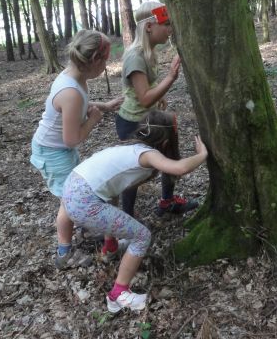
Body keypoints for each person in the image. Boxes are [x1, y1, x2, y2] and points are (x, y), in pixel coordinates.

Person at [60, 110, 208, 312]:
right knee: (142, 236)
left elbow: (111, 188)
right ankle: (118, 294)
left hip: (71, 190)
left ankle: (110, 249)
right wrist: (202, 155)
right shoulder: (148, 154)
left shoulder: (129, 148)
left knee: (112, 206)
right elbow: (179, 168)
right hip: (85, 202)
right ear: (165, 142)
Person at [30, 29, 122, 268]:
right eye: (106, 60)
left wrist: (105, 106)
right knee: (69, 202)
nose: (107, 65)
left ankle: (90, 229)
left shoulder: (75, 76)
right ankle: (64, 253)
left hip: (59, 150)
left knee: (77, 195)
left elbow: (81, 105)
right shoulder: (70, 91)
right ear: (94, 61)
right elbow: (72, 138)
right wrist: (93, 120)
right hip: (54, 153)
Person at [115, 0, 198, 219]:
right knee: (134, 170)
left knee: (168, 152)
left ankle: (167, 201)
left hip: (149, 118)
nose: (170, 29)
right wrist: (170, 78)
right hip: (134, 123)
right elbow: (143, 99)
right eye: (166, 23)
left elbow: (147, 90)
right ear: (149, 26)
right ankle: (126, 219)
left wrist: (159, 95)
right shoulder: (135, 56)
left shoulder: (148, 51)